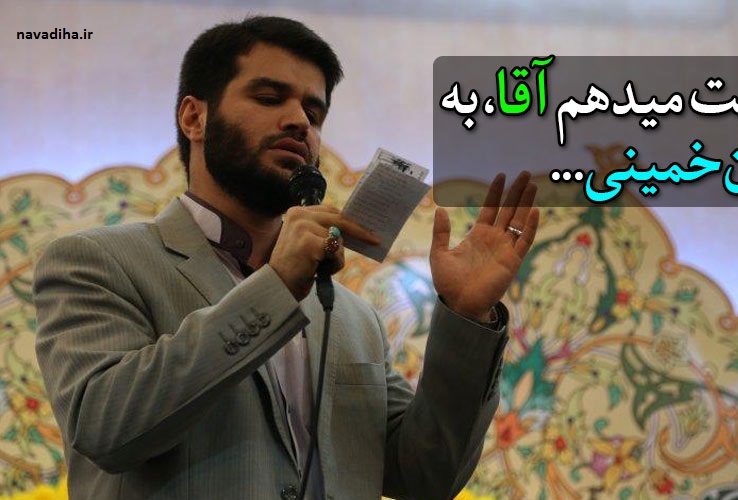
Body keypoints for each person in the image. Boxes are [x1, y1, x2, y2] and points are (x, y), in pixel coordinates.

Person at [34, 16, 539, 500]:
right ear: (194, 117)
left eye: (314, 113)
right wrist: (275, 288)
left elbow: (427, 473)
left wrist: (466, 317)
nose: (299, 121)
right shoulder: (95, 263)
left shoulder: (353, 318)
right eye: (269, 97)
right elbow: (105, 427)